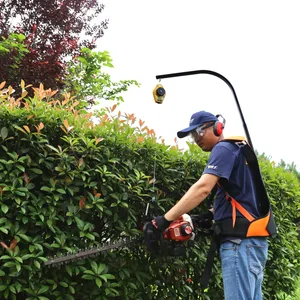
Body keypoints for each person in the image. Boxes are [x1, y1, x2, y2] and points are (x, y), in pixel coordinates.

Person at [152, 110, 272, 300]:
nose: (196, 139)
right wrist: (207, 216)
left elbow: (202, 188)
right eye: (192, 135)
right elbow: (240, 198)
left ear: (217, 127)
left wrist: (164, 220)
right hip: (252, 244)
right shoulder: (237, 149)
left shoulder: (223, 149)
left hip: (239, 245)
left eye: (199, 131)